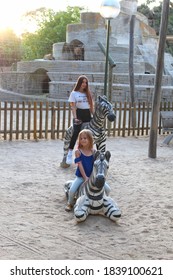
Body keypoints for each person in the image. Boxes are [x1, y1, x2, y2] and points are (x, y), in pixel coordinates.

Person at [66, 75, 94, 165]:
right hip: (79, 115)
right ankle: (70, 153)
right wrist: (75, 118)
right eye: (82, 82)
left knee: (90, 135)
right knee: (76, 132)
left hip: (87, 115)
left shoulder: (88, 93)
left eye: (86, 82)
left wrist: (94, 116)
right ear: (79, 83)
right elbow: (73, 107)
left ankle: (91, 153)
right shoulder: (74, 93)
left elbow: (91, 107)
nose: (84, 84)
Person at [65, 129, 96, 211]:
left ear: (90, 139)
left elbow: (95, 166)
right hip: (81, 176)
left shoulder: (94, 152)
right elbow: (80, 165)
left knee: (107, 189)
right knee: (72, 190)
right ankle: (70, 203)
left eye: (85, 138)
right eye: (81, 138)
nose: (83, 140)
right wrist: (85, 177)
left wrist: (92, 177)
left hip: (92, 176)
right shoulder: (78, 152)